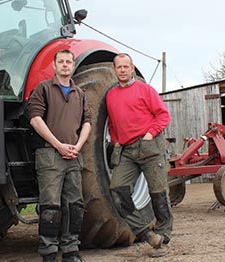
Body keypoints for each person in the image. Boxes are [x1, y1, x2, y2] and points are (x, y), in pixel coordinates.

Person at [106, 53, 173, 257]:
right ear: (114, 70)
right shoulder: (111, 95)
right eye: (119, 67)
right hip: (127, 151)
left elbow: (163, 115)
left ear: (132, 68)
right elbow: (112, 122)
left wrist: (150, 134)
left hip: (149, 147)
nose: (123, 70)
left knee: (158, 192)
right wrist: (116, 140)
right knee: (117, 190)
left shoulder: (145, 90)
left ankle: (163, 237)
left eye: (126, 66)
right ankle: (145, 232)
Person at [28, 49, 92, 262]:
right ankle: (48, 253)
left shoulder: (80, 94)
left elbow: (87, 122)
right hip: (50, 154)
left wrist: (77, 146)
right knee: (50, 205)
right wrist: (58, 145)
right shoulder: (43, 89)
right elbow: (35, 119)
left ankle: (71, 250)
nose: (65, 65)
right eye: (61, 62)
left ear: (73, 65)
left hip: (73, 155)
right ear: (54, 66)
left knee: (74, 205)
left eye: (68, 62)